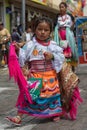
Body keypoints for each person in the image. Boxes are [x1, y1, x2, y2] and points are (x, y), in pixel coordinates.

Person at [6, 17, 82, 125]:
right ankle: (19, 116)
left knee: (52, 97)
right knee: (28, 96)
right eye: (39, 29)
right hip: (35, 75)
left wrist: (52, 56)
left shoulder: (53, 45)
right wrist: (18, 51)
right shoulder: (30, 45)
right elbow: (23, 57)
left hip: (50, 76)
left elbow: (61, 57)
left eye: (46, 30)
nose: (42, 32)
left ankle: (55, 113)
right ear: (34, 30)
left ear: (50, 32)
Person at [54, 2, 78, 71]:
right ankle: (64, 70)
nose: (61, 9)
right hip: (60, 35)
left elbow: (72, 26)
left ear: (66, 8)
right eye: (60, 7)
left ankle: (72, 69)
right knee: (62, 52)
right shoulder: (58, 17)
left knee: (70, 51)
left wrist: (72, 25)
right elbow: (57, 28)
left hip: (68, 35)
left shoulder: (69, 16)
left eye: (62, 7)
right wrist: (59, 37)